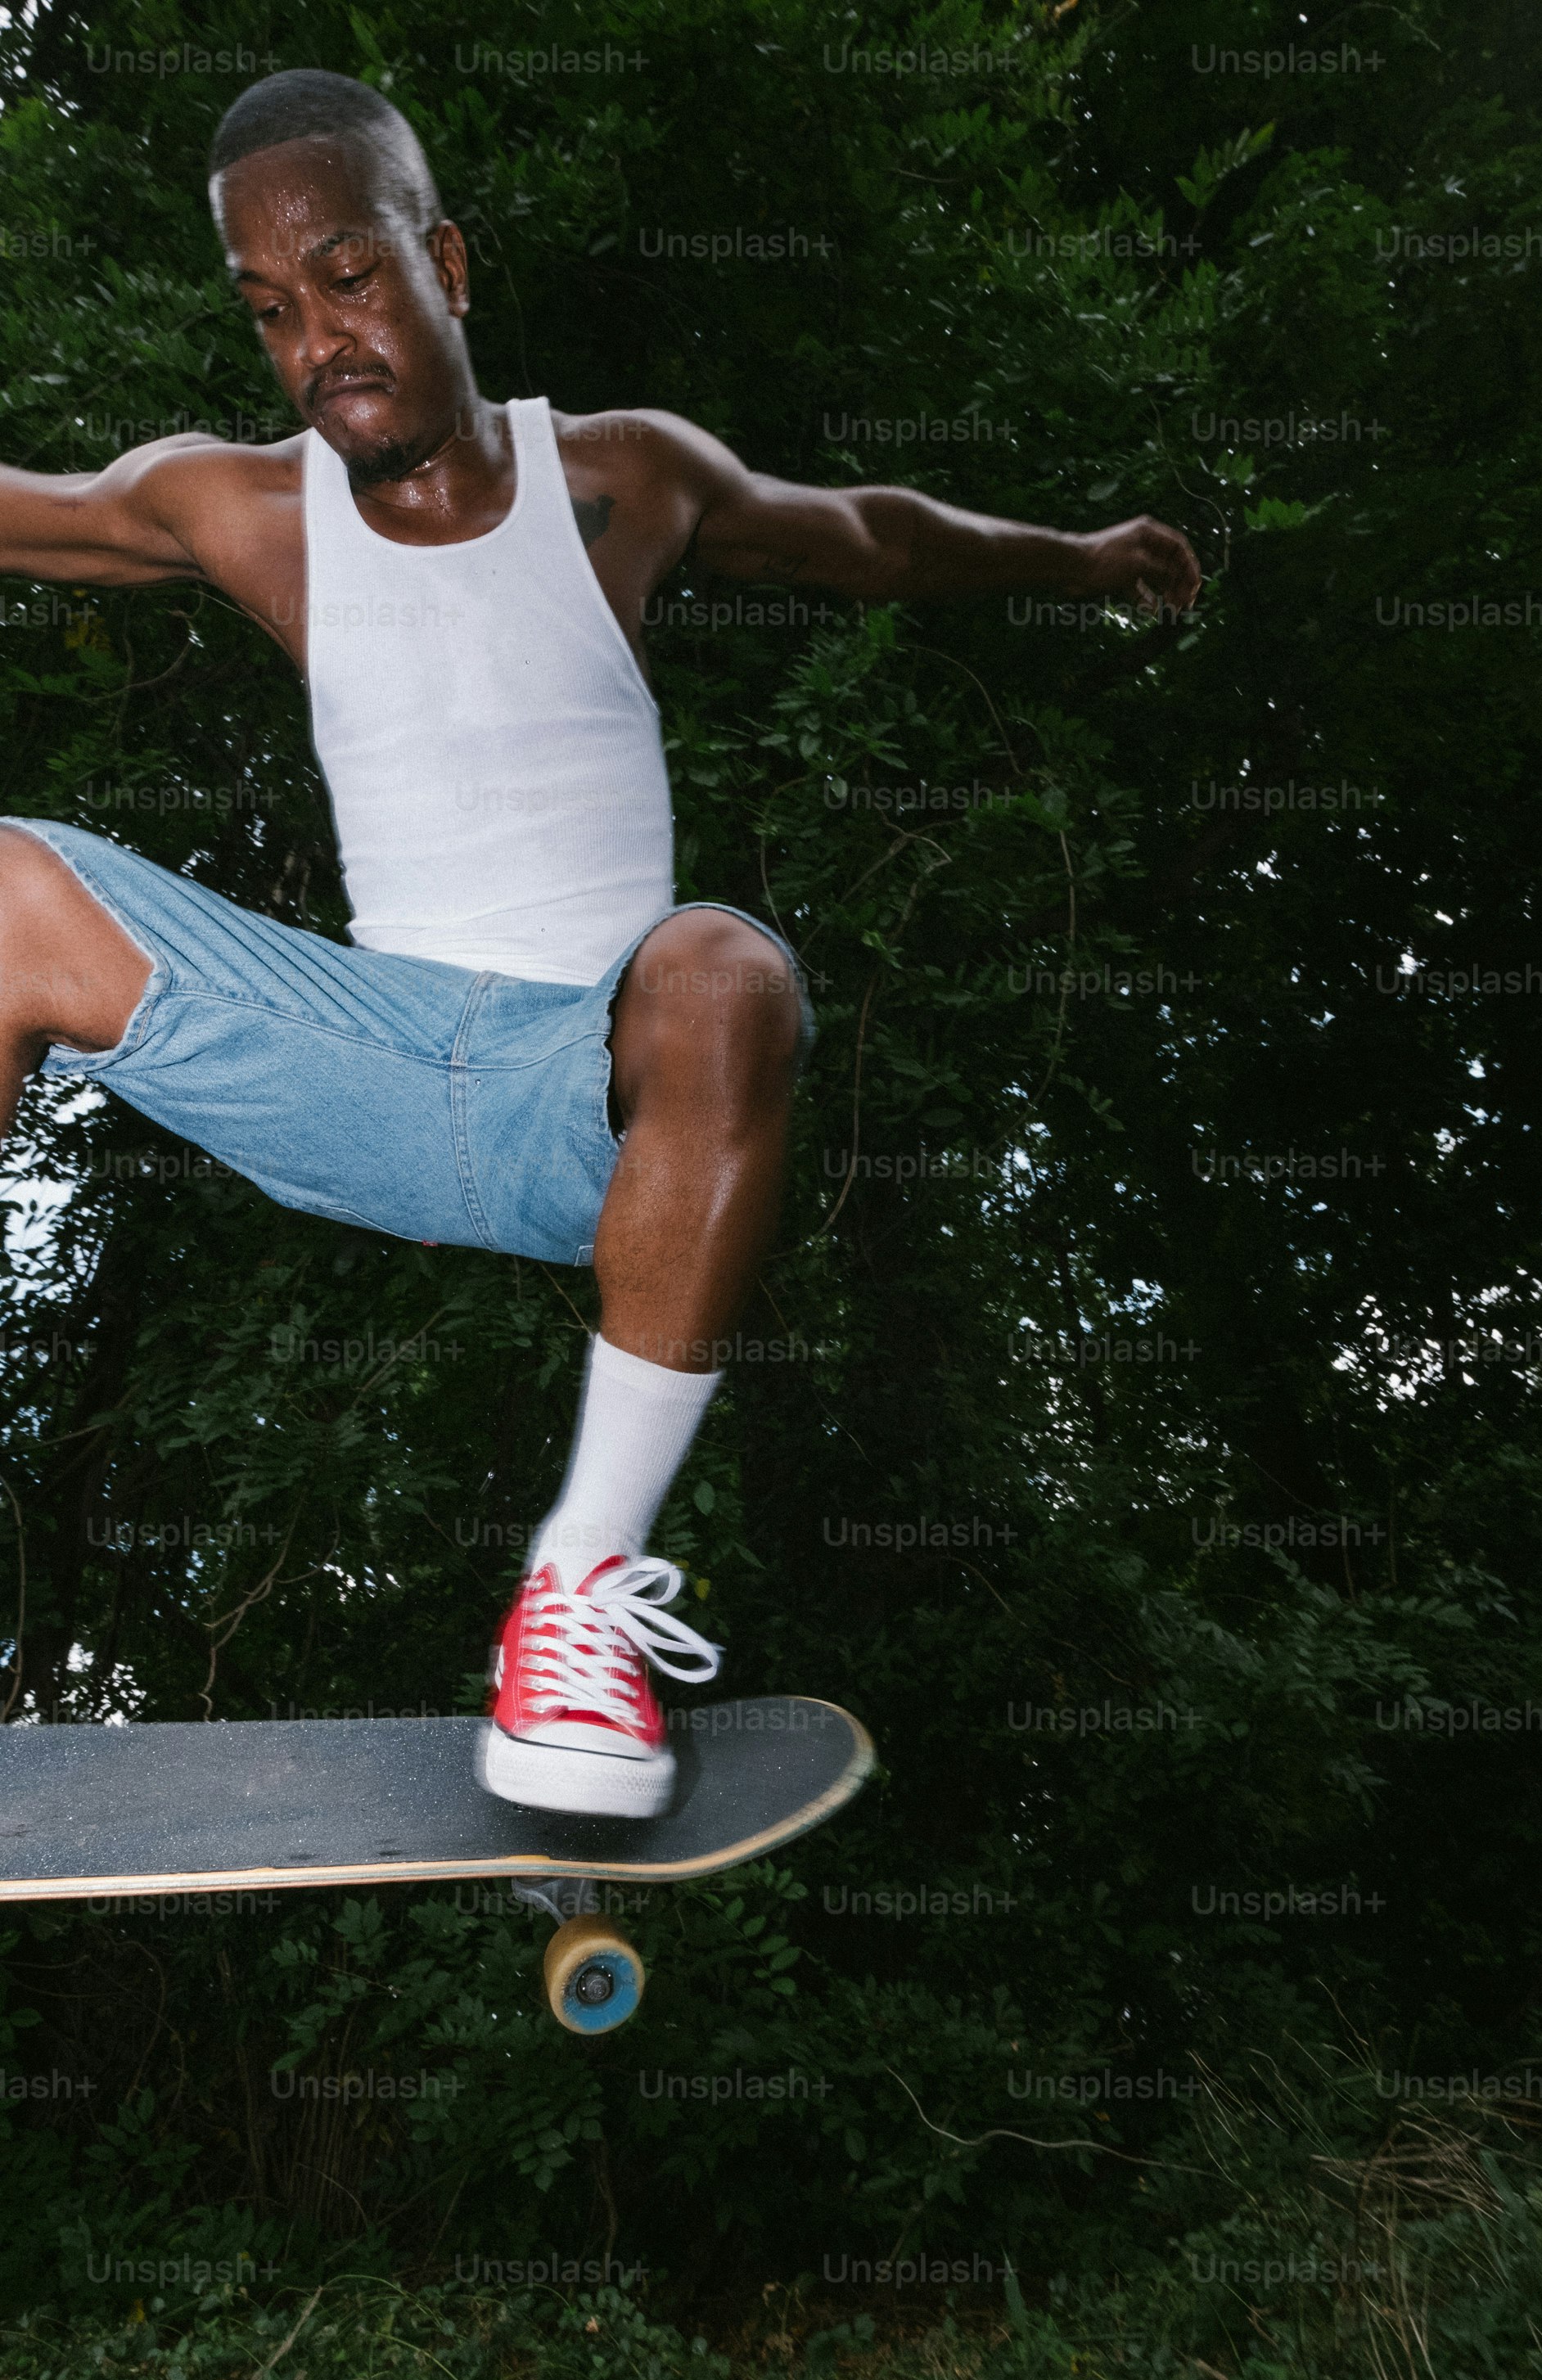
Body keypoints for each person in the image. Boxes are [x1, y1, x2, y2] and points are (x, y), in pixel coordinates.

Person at [0, 70, 1201, 1814]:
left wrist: (1081, 558)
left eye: (347, 279)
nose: (316, 343)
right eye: (269, 312)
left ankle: (576, 1605)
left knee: (726, 968)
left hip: (603, 1096)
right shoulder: (236, 508)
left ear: (449, 265)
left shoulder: (620, 481)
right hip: (362, 1066)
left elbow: (868, 537)